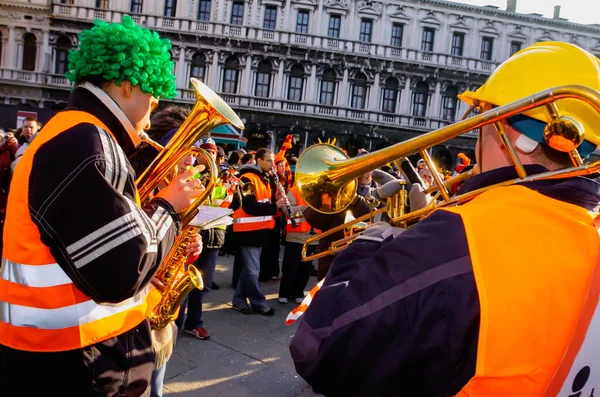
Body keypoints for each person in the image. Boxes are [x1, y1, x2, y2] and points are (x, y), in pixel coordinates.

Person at [290, 42, 600, 396]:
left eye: (483, 117)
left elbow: (320, 347)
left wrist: (368, 244)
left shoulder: (461, 235)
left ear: (511, 133)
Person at [0, 16, 205, 396]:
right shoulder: (88, 141)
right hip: (79, 363)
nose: (152, 111)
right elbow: (122, 270)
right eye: (153, 97)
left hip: (67, 356)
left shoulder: (76, 133)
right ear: (128, 85)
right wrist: (170, 207)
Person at [176, 136, 228, 340]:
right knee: (183, 283)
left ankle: (195, 322)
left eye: (213, 151)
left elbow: (234, 204)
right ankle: (175, 322)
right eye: (206, 151)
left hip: (214, 235)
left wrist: (233, 189)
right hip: (193, 234)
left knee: (201, 284)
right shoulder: (194, 174)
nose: (211, 155)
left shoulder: (223, 175)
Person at [230, 148, 288, 316]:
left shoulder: (266, 178)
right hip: (247, 231)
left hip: (260, 231)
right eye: (269, 161)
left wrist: (276, 198)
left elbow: (264, 202)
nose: (272, 165)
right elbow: (250, 207)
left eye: (273, 161)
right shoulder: (247, 178)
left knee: (248, 270)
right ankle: (259, 303)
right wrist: (274, 206)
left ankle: (238, 300)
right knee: (253, 271)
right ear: (259, 161)